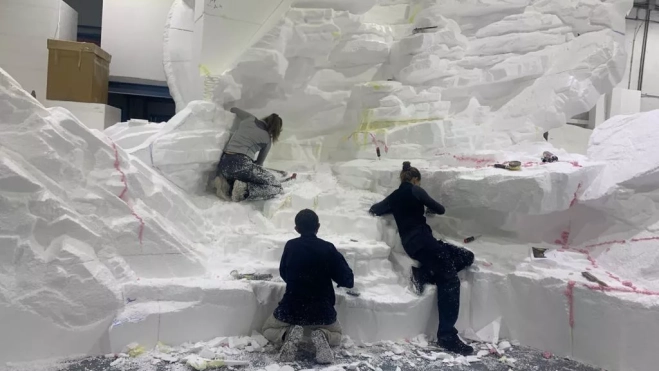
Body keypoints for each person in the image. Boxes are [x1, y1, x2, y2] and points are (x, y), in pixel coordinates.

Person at [368, 162, 475, 355]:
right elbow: (440, 209)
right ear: (415, 180)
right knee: (450, 278)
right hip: (424, 241)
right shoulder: (417, 191)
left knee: (467, 256)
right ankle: (446, 336)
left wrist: (397, 210)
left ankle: (424, 272)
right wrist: (425, 208)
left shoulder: (394, 196)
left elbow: (375, 209)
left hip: (414, 246)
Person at [262, 209, 354, 364]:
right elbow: (347, 280)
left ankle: (287, 334)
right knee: (337, 335)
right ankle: (323, 335)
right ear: (318, 227)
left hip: (291, 310)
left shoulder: (291, 246)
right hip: (322, 312)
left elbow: (284, 274)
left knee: (267, 330)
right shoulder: (328, 248)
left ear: (297, 229)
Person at [213, 107, 283, 202]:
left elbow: (233, 109)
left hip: (224, 163)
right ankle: (244, 190)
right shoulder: (267, 140)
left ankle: (225, 183)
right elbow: (259, 164)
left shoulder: (250, 118)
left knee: (239, 173)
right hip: (241, 164)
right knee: (276, 186)